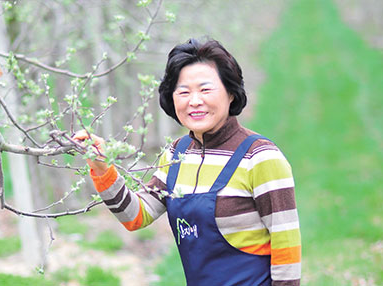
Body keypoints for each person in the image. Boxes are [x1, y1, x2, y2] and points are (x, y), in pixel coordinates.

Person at [74, 38, 301, 286]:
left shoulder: (260, 157)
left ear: (232, 94)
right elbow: (135, 216)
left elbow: (286, 244)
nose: (194, 101)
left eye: (205, 90)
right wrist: (101, 166)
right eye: (183, 92)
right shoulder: (176, 155)